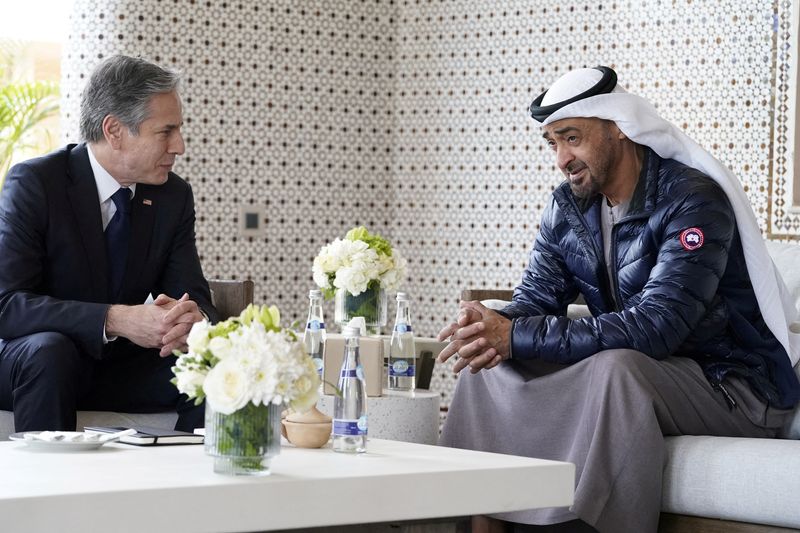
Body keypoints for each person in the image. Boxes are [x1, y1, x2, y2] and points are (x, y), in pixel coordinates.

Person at [437, 66, 800, 533]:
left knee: (617, 368)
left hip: (731, 384)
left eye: (572, 138)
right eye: (553, 143)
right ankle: (482, 527)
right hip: (654, 371)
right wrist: (488, 324)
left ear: (618, 130)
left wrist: (516, 334)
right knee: (485, 361)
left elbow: (655, 327)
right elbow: (536, 299)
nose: (562, 159)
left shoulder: (693, 202)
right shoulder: (568, 206)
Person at [0, 55, 218, 434]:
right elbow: (7, 304)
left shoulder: (173, 197)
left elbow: (194, 298)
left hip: (117, 368)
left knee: (212, 360)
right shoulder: (36, 183)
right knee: (52, 352)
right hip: (34, 363)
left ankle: (186, 485)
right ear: (114, 130)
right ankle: (53, 490)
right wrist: (115, 319)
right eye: (165, 132)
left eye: (178, 130)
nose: (179, 146)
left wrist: (190, 321)